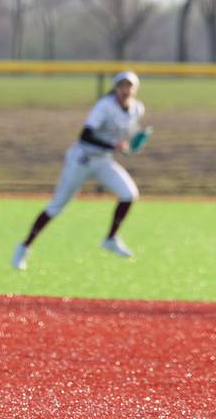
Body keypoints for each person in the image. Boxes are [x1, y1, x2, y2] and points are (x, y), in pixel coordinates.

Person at [12, 70, 145, 270]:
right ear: (115, 88)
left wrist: (133, 142)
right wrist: (114, 146)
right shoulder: (105, 106)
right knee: (56, 206)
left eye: (129, 86)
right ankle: (23, 247)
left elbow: (130, 132)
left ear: (135, 89)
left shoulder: (137, 108)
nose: (125, 90)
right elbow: (85, 135)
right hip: (82, 158)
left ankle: (110, 239)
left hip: (102, 161)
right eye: (121, 85)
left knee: (129, 194)